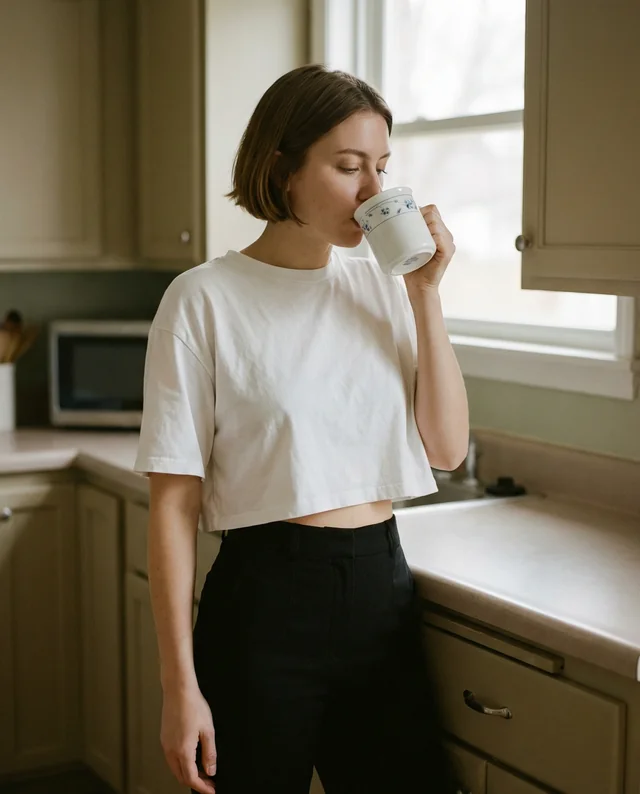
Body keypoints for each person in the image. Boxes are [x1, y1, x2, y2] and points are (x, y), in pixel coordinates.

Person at [134, 63, 469, 794]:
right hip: (265, 607)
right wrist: (178, 687)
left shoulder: (385, 289)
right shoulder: (202, 301)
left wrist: (425, 297)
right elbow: (173, 504)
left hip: (383, 591)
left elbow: (446, 448)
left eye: (382, 167)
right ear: (282, 169)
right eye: (349, 167)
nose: (373, 193)